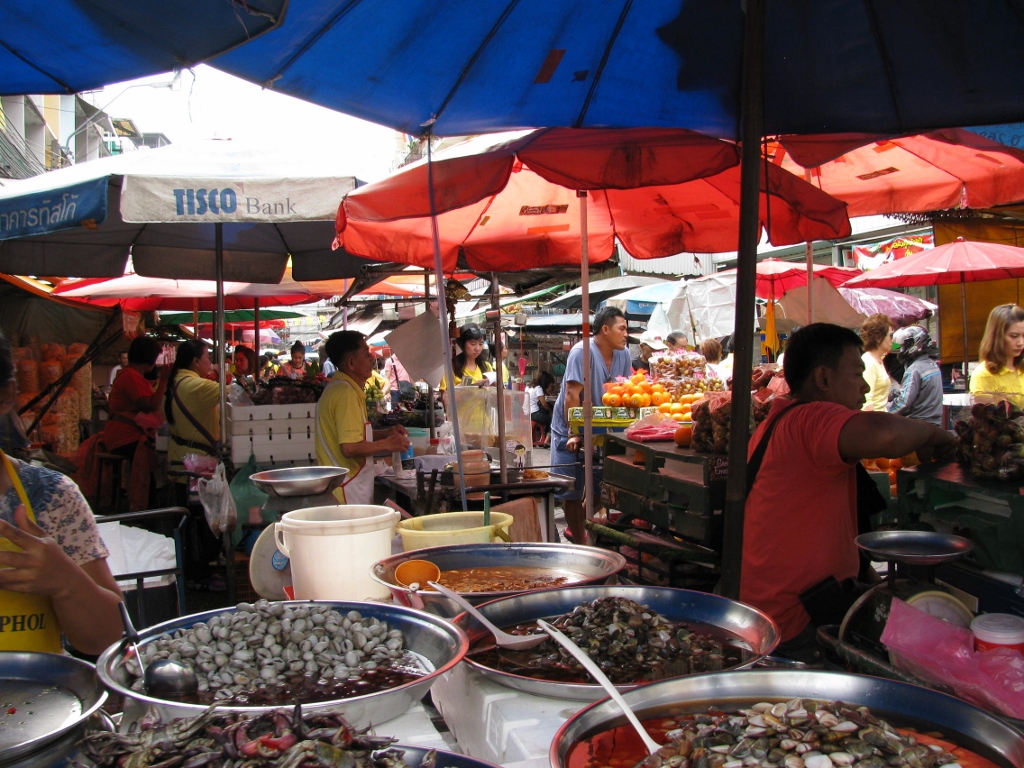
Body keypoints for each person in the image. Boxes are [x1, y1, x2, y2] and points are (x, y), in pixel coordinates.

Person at [741, 323, 957, 661]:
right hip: (798, 623)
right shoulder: (810, 419)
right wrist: (935, 434)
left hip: (777, 610)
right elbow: (884, 433)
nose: (865, 386)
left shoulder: (780, 421)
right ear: (824, 379)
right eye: (857, 374)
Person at [0, 330, 123, 655]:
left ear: (6, 396)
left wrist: (66, 582)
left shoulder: (51, 497)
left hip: (37, 687)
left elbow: (110, 636)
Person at [550, 306, 633, 544]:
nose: (626, 334)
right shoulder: (581, 352)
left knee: (602, 491)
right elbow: (572, 395)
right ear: (605, 329)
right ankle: (581, 543)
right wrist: (574, 433)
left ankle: (582, 527)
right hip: (568, 429)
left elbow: (624, 393)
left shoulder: (624, 354)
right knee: (571, 493)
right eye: (622, 328)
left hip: (603, 431)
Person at [316, 331, 410, 505]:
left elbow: (354, 436)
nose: (372, 358)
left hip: (346, 486)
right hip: (346, 490)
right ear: (351, 363)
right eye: (366, 353)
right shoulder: (345, 394)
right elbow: (349, 448)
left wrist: (386, 433)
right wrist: (388, 444)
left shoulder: (343, 389)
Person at [103, 336, 171, 510]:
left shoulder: (132, 375)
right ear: (149, 359)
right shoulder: (130, 376)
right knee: (154, 455)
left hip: (123, 433)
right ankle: (146, 504)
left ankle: (151, 501)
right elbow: (149, 405)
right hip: (124, 437)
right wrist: (164, 380)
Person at [970, 303, 1024, 406]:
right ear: (997, 337)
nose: (1021, 343)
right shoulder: (983, 375)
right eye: (1014, 336)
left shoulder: (1021, 367)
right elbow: (985, 414)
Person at [887, 325, 943, 425]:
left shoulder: (914, 370)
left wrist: (882, 411)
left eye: (903, 346)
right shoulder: (931, 364)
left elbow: (903, 403)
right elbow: (911, 391)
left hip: (918, 424)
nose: (900, 349)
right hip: (934, 422)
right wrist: (890, 393)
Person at [439, 324, 494, 410]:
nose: (477, 348)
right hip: (460, 418)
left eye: (480, 344)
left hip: (483, 417)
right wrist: (469, 391)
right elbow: (446, 402)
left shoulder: (486, 366)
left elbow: (493, 398)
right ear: (462, 344)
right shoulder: (451, 368)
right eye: (473, 344)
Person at [860, 314, 894, 412]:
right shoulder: (869, 363)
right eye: (890, 335)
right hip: (875, 419)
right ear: (879, 338)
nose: (892, 340)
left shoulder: (878, 360)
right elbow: (866, 403)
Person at [528, 371, 556, 445]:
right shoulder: (538, 388)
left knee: (548, 418)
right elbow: (544, 404)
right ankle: (547, 441)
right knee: (553, 420)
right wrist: (550, 411)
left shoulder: (529, 387)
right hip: (535, 413)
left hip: (528, 413)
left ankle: (545, 436)